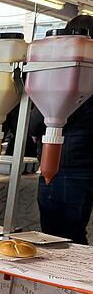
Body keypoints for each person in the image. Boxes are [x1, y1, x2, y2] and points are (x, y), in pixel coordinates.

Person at [32, 14, 93, 245]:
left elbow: (37, 120)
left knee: (57, 238)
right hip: (87, 169)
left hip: (63, 167)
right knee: (76, 234)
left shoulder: (67, 73)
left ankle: (57, 281)